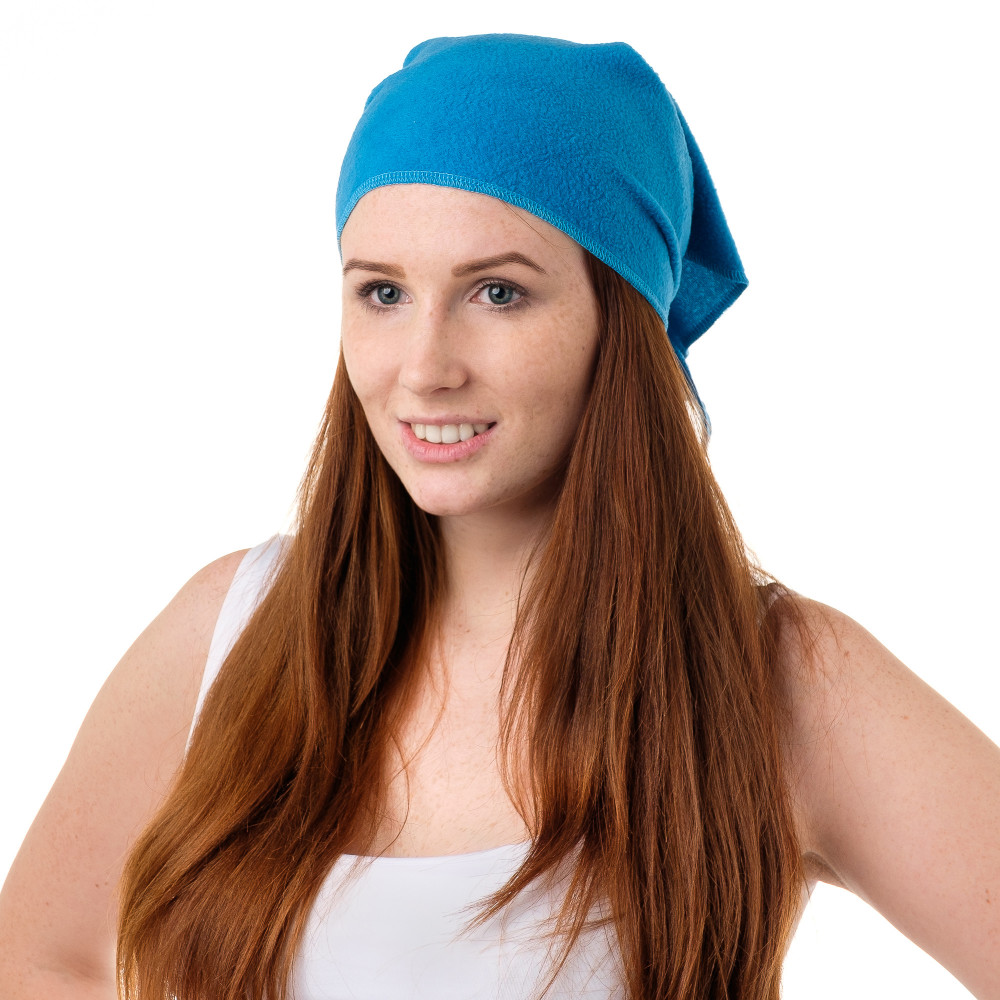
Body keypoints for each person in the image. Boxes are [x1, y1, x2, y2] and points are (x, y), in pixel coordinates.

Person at [1, 32, 998, 1000]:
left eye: (497, 292)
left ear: (620, 320)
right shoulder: (229, 628)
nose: (425, 367)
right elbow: (37, 963)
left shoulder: (778, 679)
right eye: (383, 292)